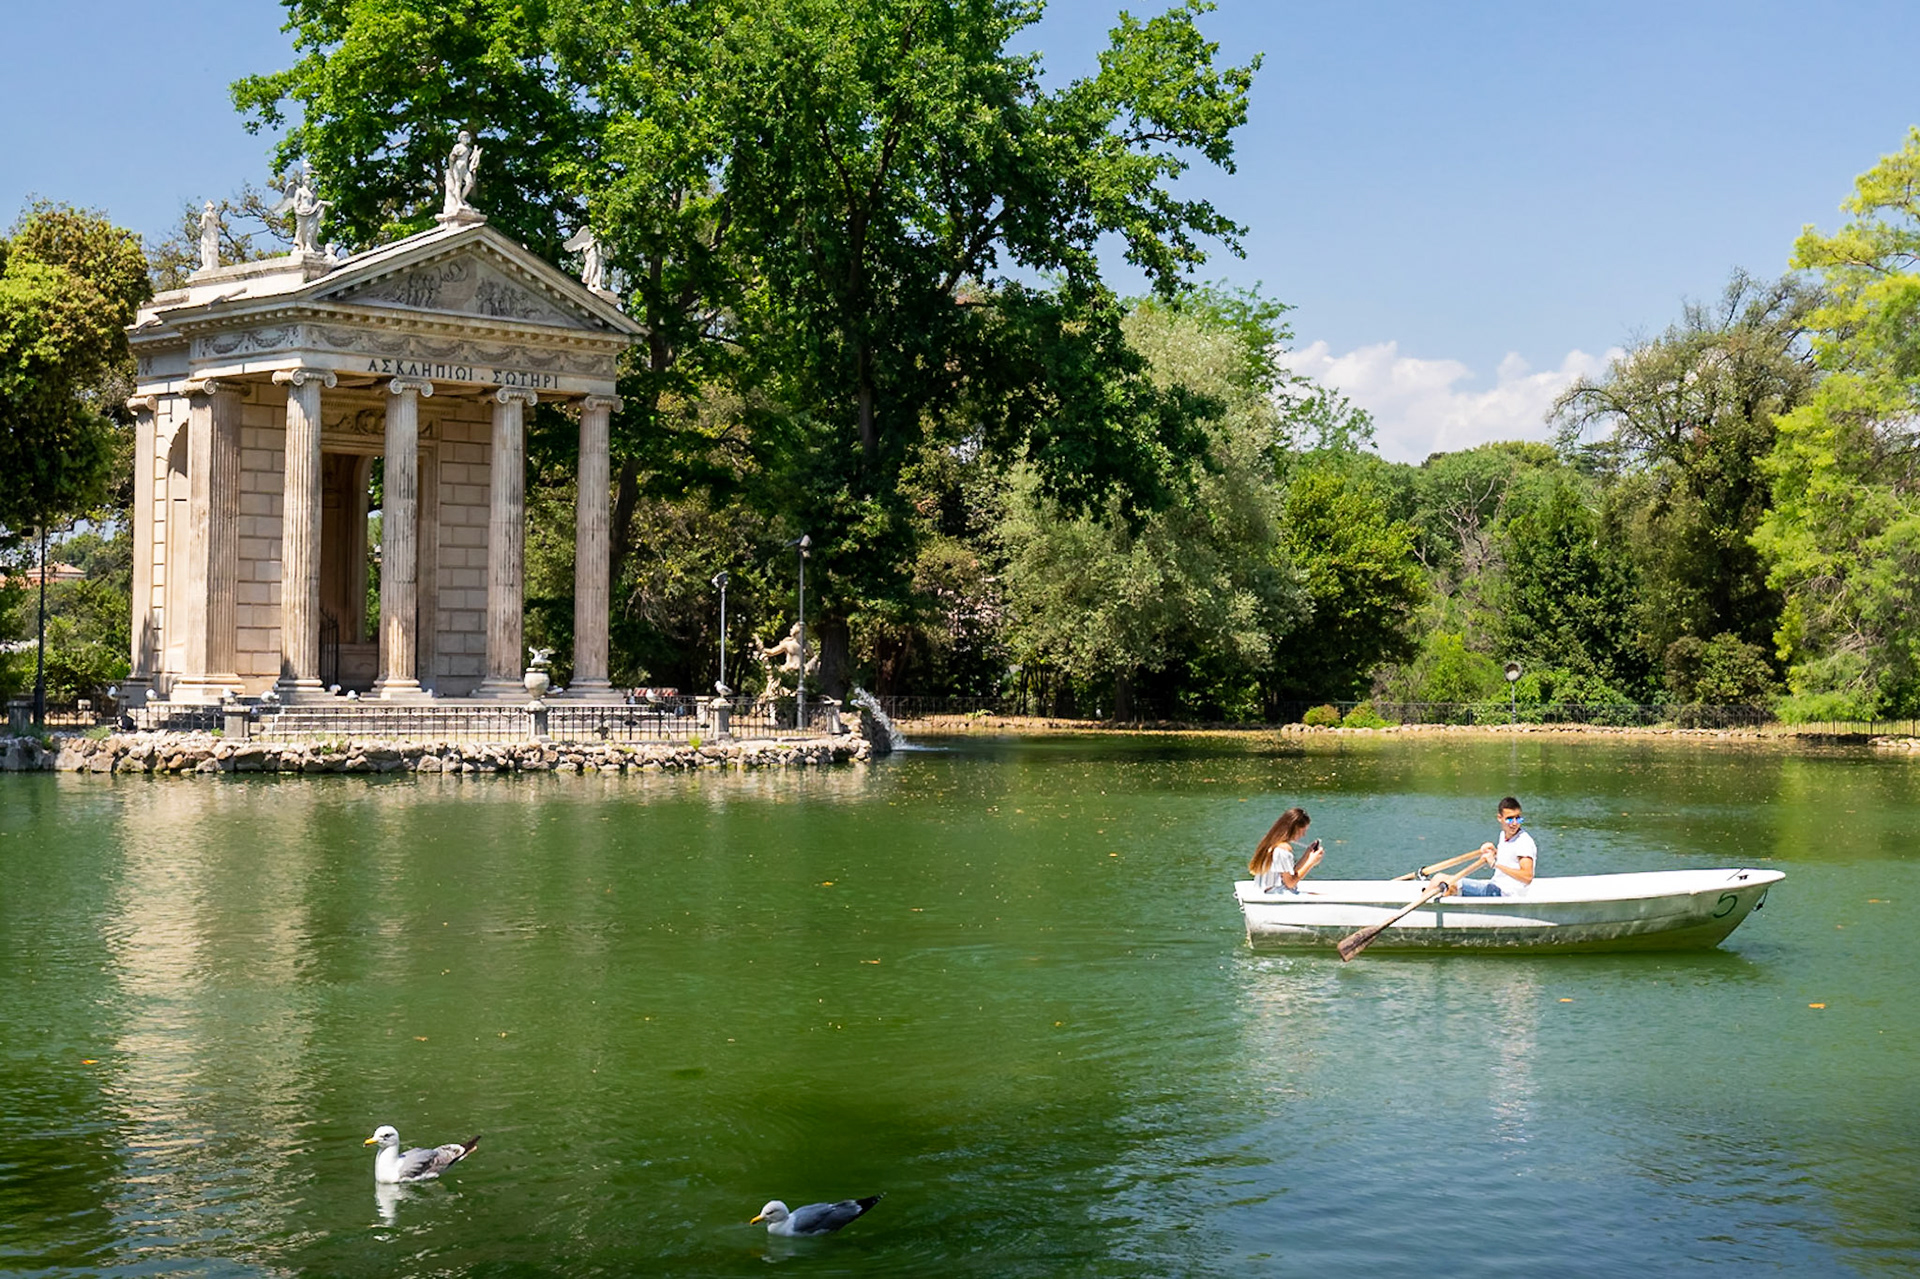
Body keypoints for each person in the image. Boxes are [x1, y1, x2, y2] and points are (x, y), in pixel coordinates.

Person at [1441, 796, 1536, 897]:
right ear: (1499, 818)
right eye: (1509, 819)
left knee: (1447, 883)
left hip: (1506, 893)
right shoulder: (1504, 835)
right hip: (1495, 885)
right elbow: (1510, 859)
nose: (1514, 823)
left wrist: (1495, 864)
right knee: (1440, 879)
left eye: (1518, 818)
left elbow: (1527, 877)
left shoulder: (1524, 842)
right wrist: (1494, 852)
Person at [1248, 806, 1323, 894]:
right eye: (1303, 831)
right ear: (1295, 828)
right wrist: (1311, 862)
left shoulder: (1272, 843)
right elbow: (1290, 883)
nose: (1303, 835)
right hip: (1276, 893)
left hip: (1272, 892)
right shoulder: (1283, 849)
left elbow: (1290, 874)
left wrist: (1307, 856)